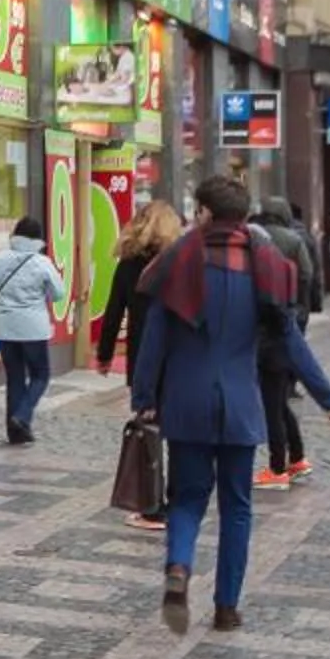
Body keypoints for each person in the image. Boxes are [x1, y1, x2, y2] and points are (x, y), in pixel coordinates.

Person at [129, 176, 330, 631]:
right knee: (238, 507)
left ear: (205, 212)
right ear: (243, 217)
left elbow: (153, 342)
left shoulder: (178, 263)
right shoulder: (265, 267)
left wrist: (145, 398)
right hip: (242, 407)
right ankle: (227, 607)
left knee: (187, 498)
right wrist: (327, 397)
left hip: (186, 404)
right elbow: (291, 340)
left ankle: (178, 566)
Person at [98, 201, 185, 530]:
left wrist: (105, 354)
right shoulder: (180, 262)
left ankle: (152, 508)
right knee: (177, 430)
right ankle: (178, 502)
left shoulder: (130, 263)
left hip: (143, 358)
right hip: (178, 356)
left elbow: (113, 311)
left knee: (149, 431)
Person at [0, 215, 70, 444]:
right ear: (38, 239)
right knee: (40, 374)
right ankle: (22, 416)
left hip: (4, 326)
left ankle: (15, 433)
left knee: (14, 378)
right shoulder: (42, 263)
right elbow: (58, 293)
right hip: (33, 328)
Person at [252, 198, 322, 486]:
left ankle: (278, 466)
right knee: (279, 396)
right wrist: (303, 308)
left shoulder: (255, 238)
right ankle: (297, 457)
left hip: (263, 328)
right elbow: (308, 274)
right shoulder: (296, 239)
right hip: (290, 317)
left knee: (272, 400)